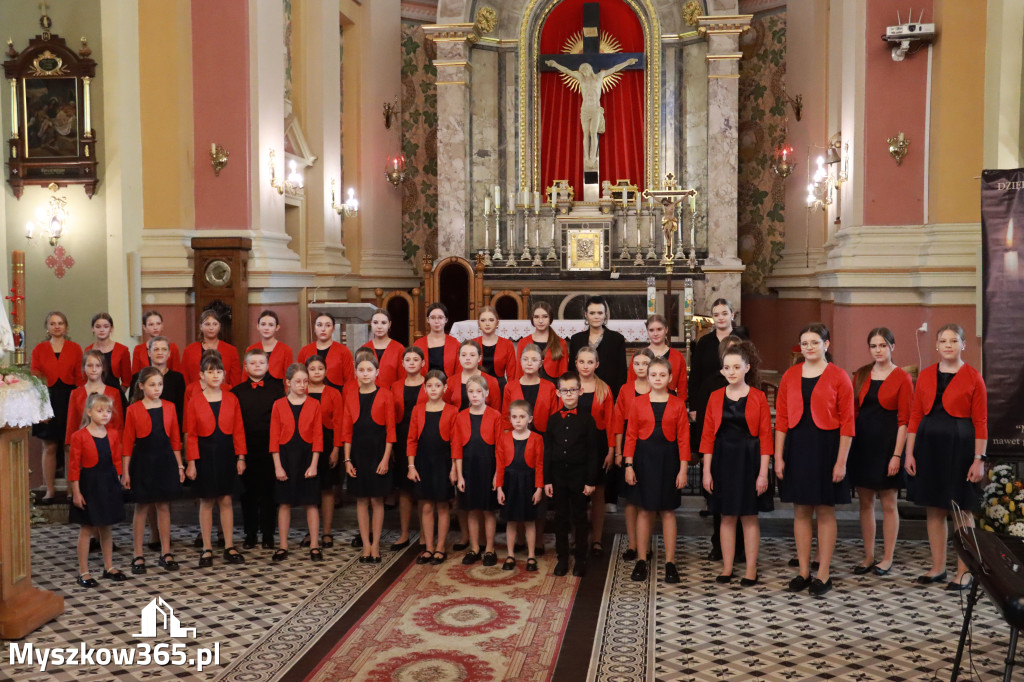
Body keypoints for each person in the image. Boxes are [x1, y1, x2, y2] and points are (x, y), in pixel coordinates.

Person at [775, 323, 855, 597]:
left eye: (814, 342)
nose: (808, 347)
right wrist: (778, 456)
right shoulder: (790, 375)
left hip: (827, 447)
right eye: (804, 343)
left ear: (826, 345)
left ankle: (823, 573)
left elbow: (848, 423)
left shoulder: (839, 376)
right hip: (797, 446)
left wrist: (841, 461)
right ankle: (804, 571)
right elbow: (782, 419)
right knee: (800, 510)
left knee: (824, 510)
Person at [906, 323, 987, 591]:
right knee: (934, 508)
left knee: (961, 509)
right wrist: (909, 452)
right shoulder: (926, 375)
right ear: (937, 346)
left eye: (954, 340)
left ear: (963, 344)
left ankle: (965, 570)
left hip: (961, 448)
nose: (948, 345)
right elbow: (915, 416)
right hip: (928, 447)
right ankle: (938, 566)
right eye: (943, 340)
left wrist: (979, 458)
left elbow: (981, 421)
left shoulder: (974, 377)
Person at [700, 342, 773, 586]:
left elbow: (765, 436)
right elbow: (708, 436)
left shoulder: (759, 397)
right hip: (723, 460)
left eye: (736, 367)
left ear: (746, 368)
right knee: (726, 516)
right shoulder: (714, 397)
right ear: (722, 370)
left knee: (749, 517)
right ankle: (728, 567)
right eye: (726, 367)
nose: (731, 372)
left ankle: (751, 568)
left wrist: (763, 474)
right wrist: (706, 471)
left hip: (749, 461)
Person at [848, 328, 913, 577]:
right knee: (865, 503)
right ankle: (868, 555)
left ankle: (887, 557)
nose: (878, 350)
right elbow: (853, 412)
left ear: (892, 347)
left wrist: (897, 455)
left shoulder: (902, 378)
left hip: (887, 446)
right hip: (863, 446)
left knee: (888, 504)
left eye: (883, 345)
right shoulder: (862, 374)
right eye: (874, 346)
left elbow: (904, 421)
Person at [688, 299, 746, 560]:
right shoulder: (704, 343)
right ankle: (716, 538)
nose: (721, 317)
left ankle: (740, 545)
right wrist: (694, 406)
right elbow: (696, 377)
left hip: (739, 419)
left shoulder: (743, 338)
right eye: (716, 314)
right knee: (712, 475)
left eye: (725, 313)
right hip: (708, 409)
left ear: (732, 314)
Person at [624, 357, 690, 583]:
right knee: (644, 510)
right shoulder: (638, 402)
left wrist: (683, 470)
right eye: (654, 375)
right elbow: (631, 434)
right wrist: (629, 465)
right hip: (644, 460)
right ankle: (642, 559)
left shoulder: (678, 403)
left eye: (663, 375)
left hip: (669, 461)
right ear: (647, 376)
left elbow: (683, 439)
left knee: (668, 511)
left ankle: (670, 562)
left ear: (670, 378)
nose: (658, 379)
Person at [185, 355, 248, 567]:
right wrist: (191, 461)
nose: (215, 375)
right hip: (204, 454)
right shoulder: (195, 400)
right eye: (210, 371)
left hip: (226, 453)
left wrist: (241, 457)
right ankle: (206, 547)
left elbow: (239, 429)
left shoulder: (232, 399)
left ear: (224, 374)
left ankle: (229, 546)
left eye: (219, 371)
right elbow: (191, 434)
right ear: (202, 375)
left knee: (226, 500)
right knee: (206, 500)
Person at [122, 367, 185, 574]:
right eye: (152, 384)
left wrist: (179, 465)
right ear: (141, 386)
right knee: (141, 507)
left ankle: (166, 551)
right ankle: (138, 554)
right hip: (143, 461)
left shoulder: (169, 407)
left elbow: (175, 439)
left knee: (164, 507)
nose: (157, 388)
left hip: (165, 460)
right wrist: (126, 471)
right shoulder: (133, 409)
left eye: (160, 384)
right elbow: (127, 442)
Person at [340, 355, 396, 563]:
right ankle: (365, 545)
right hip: (357, 454)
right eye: (361, 370)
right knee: (361, 500)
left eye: (369, 370)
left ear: (377, 372)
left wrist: (385, 459)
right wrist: (347, 460)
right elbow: (346, 431)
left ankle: (375, 545)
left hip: (379, 453)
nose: (365, 374)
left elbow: (391, 431)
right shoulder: (351, 395)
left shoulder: (385, 395)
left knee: (376, 499)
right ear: (356, 373)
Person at [68, 393, 128, 587]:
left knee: (106, 526)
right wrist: (76, 492)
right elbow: (75, 467)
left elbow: (116, 459)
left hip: (108, 483)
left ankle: (109, 566)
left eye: (108, 411)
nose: (105, 415)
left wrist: (119, 479)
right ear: (89, 412)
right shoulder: (79, 436)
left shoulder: (112, 434)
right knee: (87, 528)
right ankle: (84, 571)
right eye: (100, 411)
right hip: (90, 484)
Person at [545, 372, 600, 577]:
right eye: (565, 391)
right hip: (558, 476)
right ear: (558, 393)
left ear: (580, 391)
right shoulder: (552, 421)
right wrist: (547, 479)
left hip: (579, 476)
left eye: (573, 390)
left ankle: (581, 559)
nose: (569, 394)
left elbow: (593, 452)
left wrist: (590, 480)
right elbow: (548, 452)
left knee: (580, 518)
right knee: (560, 517)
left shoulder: (587, 420)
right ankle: (562, 558)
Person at [269, 363, 324, 562]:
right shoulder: (278, 405)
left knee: (311, 503)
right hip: (285, 456)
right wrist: (277, 466)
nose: (302, 385)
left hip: (307, 456)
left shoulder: (314, 404)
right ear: (288, 382)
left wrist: (314, 464)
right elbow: (273, 438)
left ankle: (315, 544)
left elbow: (318, 436)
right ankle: (283, 545)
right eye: (298, 382)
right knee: (284, 503)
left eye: (305, 382)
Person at [232, 348, 285, 550]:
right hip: (246, 450)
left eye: (260, 363)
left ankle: (269, 534)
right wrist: (240, 454)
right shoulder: (237, 392)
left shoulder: (277, 390)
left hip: (270, 449)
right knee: (248, 494)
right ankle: (251, 533)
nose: (257, 366)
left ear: (267, 365)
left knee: (269, 493)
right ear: (245, 367)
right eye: (252, 363)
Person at [30, 310, 83, 503]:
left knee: (69, 446)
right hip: (47, 399)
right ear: (47, 327)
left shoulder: (76, 348)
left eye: (60, 323)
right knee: (49, 446)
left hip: (70, 398)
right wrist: (41, 408)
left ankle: (71, 490)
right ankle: (50, 490)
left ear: (66, 327)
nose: (57, 326)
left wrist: (79, 405)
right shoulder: (39, 350)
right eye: (53, 323)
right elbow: (35, 377)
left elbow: (80, 378)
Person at [407, 370, 458, 565]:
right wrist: (411, 466)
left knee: (443, 506)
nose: (434, 389)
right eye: (430, 386)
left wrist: (454, 468)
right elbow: (411, 440)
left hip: (443, 463)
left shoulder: (452, 411)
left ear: (445, 388)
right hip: (422, 462)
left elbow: (455, 442)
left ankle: (440, 547)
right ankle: (428, 547)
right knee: (426, 506)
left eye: (438, 386)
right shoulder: (418, 410)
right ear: (425, 388)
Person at [453, 375, 502, 566]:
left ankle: (489, 548)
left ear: (486, 393)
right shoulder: (460, 416)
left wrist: (498, 474)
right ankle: (474, 547)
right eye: (471, 391)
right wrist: (459, 475)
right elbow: (456, 448)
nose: (475, 395)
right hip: (468, 469)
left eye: (478, 391)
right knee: (472, 510)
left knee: (489, 511)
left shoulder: (495, 415)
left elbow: (499, 448)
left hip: (488, 468)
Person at [573, 345, 617, 558]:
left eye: (590, 362)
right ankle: (577, 538)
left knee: (598, 493)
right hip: (574, 444)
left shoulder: (604, 389)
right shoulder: (570, 387)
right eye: (582, 362)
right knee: (577, 494)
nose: (585, 366)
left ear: (597, 364)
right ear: (576, 363)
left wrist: (611, 450)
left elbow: (610, 422)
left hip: (598, 445)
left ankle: (597, 539)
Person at [614, 348, 655, 562]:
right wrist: (619, 451)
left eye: (645, 363)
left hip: (651, 447)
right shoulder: (625, 389)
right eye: (637, 364)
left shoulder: (658, 387)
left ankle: (645, 544)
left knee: (646, 499)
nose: (641, 367)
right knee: (631, 500)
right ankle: (632, 544)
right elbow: (619, 422)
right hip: (630, 447)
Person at [497, 400, 544, 572]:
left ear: (529, 418)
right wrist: (500, 488)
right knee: (511, 521)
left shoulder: (537, 439)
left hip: (528, 483)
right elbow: (500, 465)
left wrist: (539, 488)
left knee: (529, 521)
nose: (518, 420)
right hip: (510, 483)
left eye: (522, 417)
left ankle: (531, 555)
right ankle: (510, 555)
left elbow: (539, 465)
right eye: (514, 417)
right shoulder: (504, 438)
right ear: (510, 418)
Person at [389, 346, 428, 552]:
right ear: (402, 364)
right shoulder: (395, 386)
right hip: (402, 437)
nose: (411, 362)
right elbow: (390, 417)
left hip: (424, 438)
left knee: (421, 488)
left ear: (423, 363)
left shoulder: (430, 384)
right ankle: (404, 532)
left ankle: (424, 532)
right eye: (408, 359)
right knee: (404, 488)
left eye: (416, 359)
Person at [304, 355, 343, 549]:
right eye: (312, 368)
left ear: (326, 371)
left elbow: (338, 424)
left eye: (320, 368)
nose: (317, 371)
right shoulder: (301, 390)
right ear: (306, 371)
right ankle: (310, 532)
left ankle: (326, 531)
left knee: (327, 489)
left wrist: (336, 449)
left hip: (328, 442)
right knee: (309, 488)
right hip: (306, 443)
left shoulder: (334, 393)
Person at [568, 296, 627, 400]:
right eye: (592, 313)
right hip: (581, 393)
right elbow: (572, 369)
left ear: (605, 315)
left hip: (609, 394)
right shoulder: (576, 339)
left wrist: (617, 397)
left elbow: (621, 372)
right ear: (586, 314)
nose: (596, 316)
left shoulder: (617, 339)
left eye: (600, 313)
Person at [66, 350, 124, 445]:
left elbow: (118, 425)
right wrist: (70, 449)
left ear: (103, 368)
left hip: (108, 444)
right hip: (83, 445)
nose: (94, 369)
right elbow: (71, 426)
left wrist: (119, 448)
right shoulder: (76, 394)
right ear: (84, 367)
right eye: (89, 365)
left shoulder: (114, 393)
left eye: (98, 366)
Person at [130, 336, 186, 428]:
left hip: (170, 429)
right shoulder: (138, 377)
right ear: (149, 353)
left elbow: (180, 410)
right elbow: (133, 406)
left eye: (164, 349)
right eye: (156, 349)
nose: (160, 352)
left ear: (169, 353)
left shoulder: (177, 378)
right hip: (143, 429)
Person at [502, 344, 559, 434]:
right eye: (525, 359)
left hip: (543, 435)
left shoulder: (549, 387)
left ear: (541, 363)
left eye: (534, 360)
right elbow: (506, 416)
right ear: (520, 361)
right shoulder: (510, 387)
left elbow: (554, 416)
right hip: (517, 435)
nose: (529, 363)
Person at [627, 315, 687, 397]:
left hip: (670, 403)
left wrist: (681, 406)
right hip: (641, 403)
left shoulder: (677, 356)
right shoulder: (638, 356)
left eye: (659, 329)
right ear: (647, 331)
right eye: (651, 330)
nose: (655, 334)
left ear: (666, 330)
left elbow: (682, 387)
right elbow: (631, 383)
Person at [85, 313, 132, 411]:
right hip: (93, 398)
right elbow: (85, 377)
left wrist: (115, 394)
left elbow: (126, 381)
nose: (102, 330)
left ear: (111, 328)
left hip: (115, 398)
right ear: (92, 329)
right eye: (98, 326)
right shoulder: (88, 350)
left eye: (106, 326)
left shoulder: (122, 350)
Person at [182, 310, 242, 387]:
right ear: (201, 326)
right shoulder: (189, 350)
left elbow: (235, 381)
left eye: (215, 324)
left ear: (220, 326)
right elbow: (185, 378)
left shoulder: (231, 350)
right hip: (196, 395)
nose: (211, 327)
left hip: (224, 394)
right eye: (207, 324)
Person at [297, 314, 355, 392]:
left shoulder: (344, 351)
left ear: (333, 328)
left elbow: (349, 380)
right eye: (319, 325)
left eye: (328, 325)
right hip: (310, 396)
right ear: (314, 328)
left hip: (337, 396)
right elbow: (299, 376)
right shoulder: (304, 351)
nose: (323, 329)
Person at [517, 301, 569, 382]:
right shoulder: (523, 342)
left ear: (550, 318)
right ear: (532, 319)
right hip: (529, 386)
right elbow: (519, 372)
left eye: (545, 317)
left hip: (553, 387)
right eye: (536, 317)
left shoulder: (561, 342)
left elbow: (563, 373)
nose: (540, 321)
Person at [474, 306, 520, 397]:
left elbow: (512, 374)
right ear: (478, 323)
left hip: (500, 388)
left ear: (497, 323)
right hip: (477, 387)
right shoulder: (473, 343)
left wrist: (511, 392)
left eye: (491, 320)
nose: (487, 324)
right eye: (483, 320)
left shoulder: (507, 344)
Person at [444, 340, 501, 411]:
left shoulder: (491, 381)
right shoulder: (450, 381)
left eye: (472, 355)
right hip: (457, 421)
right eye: (464, 355)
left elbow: (496, 411)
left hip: (484, 421)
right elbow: (446, 409)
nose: (467, 358)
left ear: (479, 358)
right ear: (459, 357)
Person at [413, 303, 461, 377]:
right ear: (427, 320)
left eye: (440, 317)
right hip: (424, 386)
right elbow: (414, 370)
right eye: (433, 317)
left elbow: (459, 371)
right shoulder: (418, 344)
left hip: (449, 386)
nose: (436, 321)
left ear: (446, 320)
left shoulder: (455, 343)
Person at [246, 310, 294, 382]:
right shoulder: (251, 349)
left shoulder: (286, 350)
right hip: (254, 389)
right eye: (263, 324)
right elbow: (245, 376)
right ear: (258, 326)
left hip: (278, 391)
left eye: (271, 325)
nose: (266, 328)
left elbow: (289, 377)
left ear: (277, 327)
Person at [363, 308, 405, 388]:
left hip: (392, 395)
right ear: (370, 323)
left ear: (389, 324)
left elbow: (402, 378)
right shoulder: (364, 348)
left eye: (383, 323)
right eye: (375, 322)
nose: (379, 326)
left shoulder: (399, 349)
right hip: (369, 395)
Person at [131, 310, 181, 374]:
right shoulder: (138, 349)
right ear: (144, 327)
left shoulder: (173, 347)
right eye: (151, 324)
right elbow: (135, 375)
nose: (155, 327)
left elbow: (177, 372)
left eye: (158, 324)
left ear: (162, 325)